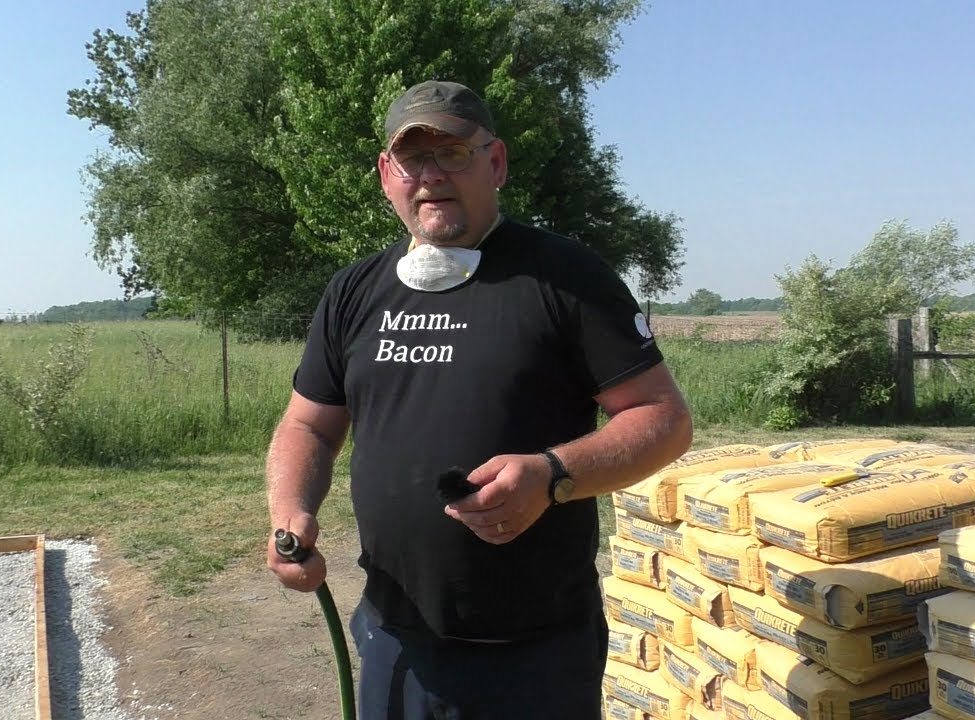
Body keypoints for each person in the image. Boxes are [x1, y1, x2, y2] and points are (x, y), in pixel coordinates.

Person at [265, 79, 693, 719]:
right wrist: (290, 510)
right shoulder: (354, 292)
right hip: (394, 637)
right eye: (413, 160)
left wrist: (552, 476)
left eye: (452, 154)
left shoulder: (565, 277)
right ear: (387, 175)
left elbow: (663, 419)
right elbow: (309, 425)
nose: (431, 176)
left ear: (494, 163)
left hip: (535, 654)